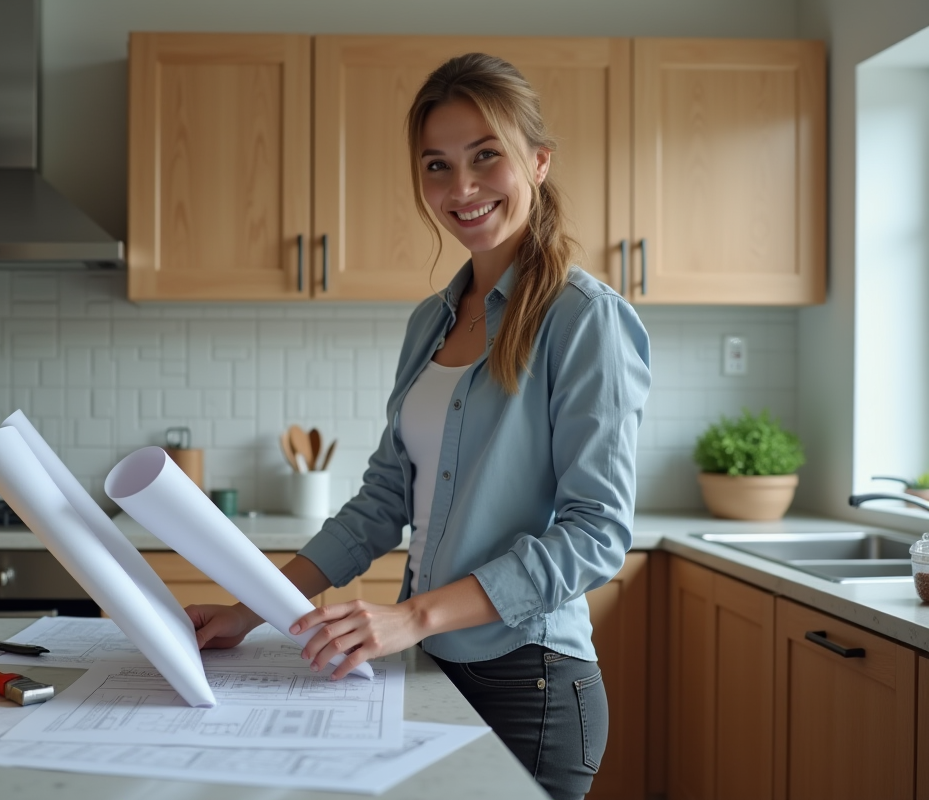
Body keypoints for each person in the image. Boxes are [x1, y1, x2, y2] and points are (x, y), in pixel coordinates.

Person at [186, 52, 651, 800]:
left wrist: (410, 617)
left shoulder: (583, 319)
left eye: (485, 157)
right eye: (437, 166)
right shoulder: (429, 322)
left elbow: (597, 534)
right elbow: (379, 504)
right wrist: (251, 613)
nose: (460, 190)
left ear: (537, 162)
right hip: (433, 666)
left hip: (527, 683)